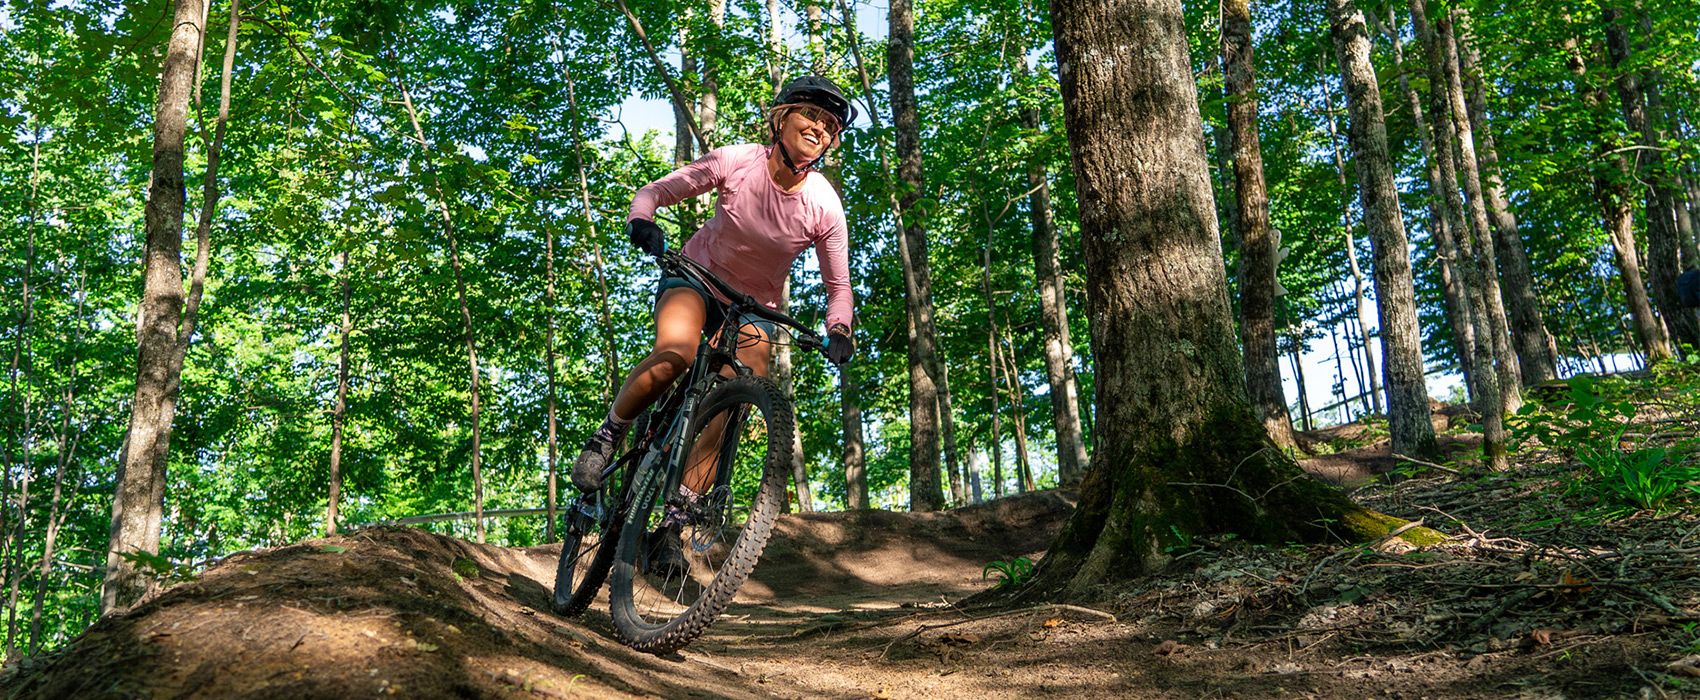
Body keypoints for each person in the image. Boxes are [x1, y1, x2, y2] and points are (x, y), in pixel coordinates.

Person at [571, 76, 858, 576]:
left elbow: (839, 286)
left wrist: (840, 329)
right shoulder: (738, 161)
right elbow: (657, 191)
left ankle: (673, 524)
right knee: (676, 356)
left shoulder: (824, 205)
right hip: (695, 278)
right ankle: (607, 436)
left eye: (830, 125)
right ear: (781, 119)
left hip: (752, 307)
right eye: (811, 115)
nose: (820, 128)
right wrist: (643, 218)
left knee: (734, 396)